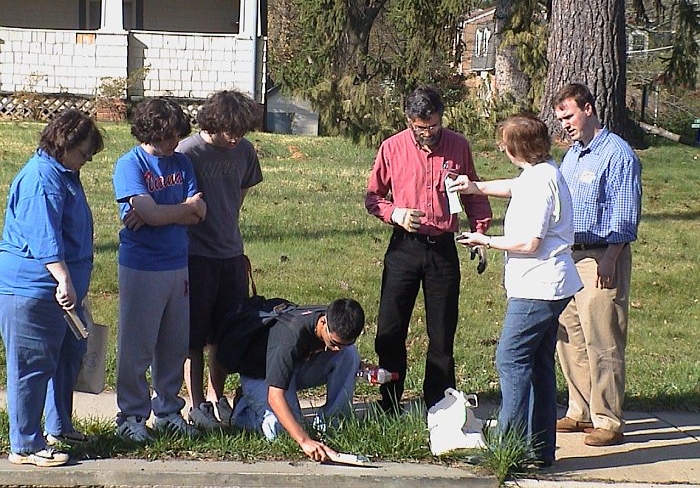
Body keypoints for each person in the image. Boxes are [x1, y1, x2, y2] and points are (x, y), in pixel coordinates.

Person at [451, 114, 583, 467]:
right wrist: (474, 187)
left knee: (511, 359)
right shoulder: (541, 173)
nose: (501, 148)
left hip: (538, 288)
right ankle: (539, 450)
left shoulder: (540, 184)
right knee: (538, 364)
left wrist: (485, 240)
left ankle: (506, 449)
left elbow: (529, 242)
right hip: (551, 284)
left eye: (504, 143)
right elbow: (513, 186)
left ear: (517, 148)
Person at [365, 85, 492, 412]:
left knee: (442, 331)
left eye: (433, 126)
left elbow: (472, 192)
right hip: (404, 247)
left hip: (442, 249)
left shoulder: (458, 146)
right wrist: (396, 214)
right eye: (420, 128)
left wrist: (480, 232)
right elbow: (374, 197)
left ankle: (439, 405)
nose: (428, 133)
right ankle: (389, 402)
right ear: (409, 120)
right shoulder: (392, 147)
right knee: (391, 328)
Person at [0, 110, 104, 467]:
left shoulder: (65, 174)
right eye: (83, 153)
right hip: (34, 288)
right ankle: (25, 445)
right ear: (64, 144)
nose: (86, 161)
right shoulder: (41, 179)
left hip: (62, 291)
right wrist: (63, 278)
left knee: (67, 355)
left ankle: (58, 427)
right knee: (31, 365)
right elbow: (43, 236)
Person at [552, 83, 642, 447]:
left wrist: (610, 258)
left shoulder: (617, 154)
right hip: (569, 255)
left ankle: (608, 419)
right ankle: (580, 410)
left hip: (602, 256)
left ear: (588, 109)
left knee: (602, 338)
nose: (565, 124)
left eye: (569, 116)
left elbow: (625, 211)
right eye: (560, 119)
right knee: (570, 336)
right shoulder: (573, 155)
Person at [113, 98, 207, 442]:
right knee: (137, 345)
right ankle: (131, 416)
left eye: (177, 136)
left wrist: (159, 213)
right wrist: (179, 209)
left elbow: (200, 212)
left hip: (177, 263)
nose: (173, 143)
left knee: (173, 344)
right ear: (149, 132)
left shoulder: (181, 162)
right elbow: (155, 213)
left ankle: (168, 411)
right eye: (167, 137)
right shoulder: (130, 164)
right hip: (142, 265)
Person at [175, 90, 263, 429]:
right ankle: (197, 404)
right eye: (230, 131)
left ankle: (217, 396)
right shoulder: (188, 152)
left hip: (231, 254)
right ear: (213, 123)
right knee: (194, 337)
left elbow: (240, 193)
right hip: (195, 256)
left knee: (225, 335)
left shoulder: (244, 151)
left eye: (242, 131)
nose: (236, 138)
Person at [231, 298, 365, 462]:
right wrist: (304, 440)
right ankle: (243, 411)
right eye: (334, 343)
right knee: (281, 431)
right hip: (260, 375)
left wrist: (359, 366)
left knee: (350, 355)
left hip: (293, 369)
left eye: (345, 344)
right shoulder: (289, 337)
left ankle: (332, 423)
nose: (337, 349)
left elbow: (341, 351)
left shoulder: (336, 318)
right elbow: (275, 396)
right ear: (323, 322)